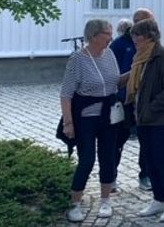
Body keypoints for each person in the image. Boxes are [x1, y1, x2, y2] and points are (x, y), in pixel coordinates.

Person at [60, 19, 120, 222]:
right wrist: (68, 123)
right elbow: (66, 93)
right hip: (86, 117)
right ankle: (75, 203)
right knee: (87, 159)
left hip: (109, 115)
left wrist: (137, 72)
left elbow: (114, 82)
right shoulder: (78, 59)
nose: (111, 38)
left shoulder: (110, 54)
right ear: (94, 35)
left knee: (108, 157)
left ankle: (105, 201)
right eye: (107, 34)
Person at [127, 19, 164, 222]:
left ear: (150, 36)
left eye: (138, 36)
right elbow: (137, 83)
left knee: (162, 159)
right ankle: (158, 198)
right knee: (149, 160)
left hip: (163, 119)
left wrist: (150, 109)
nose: (134, 39)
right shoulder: (139, 58)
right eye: (133, 35)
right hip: (143, 118)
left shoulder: (162, 55)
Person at [110, 7, 154, 192]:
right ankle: (111, 177)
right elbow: (112, 76)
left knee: (147, 140)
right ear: (138, 23)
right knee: (117, 140)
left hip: (145, 102)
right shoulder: (119, 45)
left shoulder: (152, 44)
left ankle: (145, 175)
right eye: (149, 22)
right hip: (124, 101)